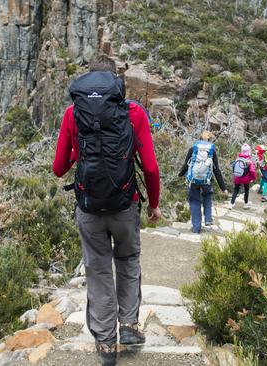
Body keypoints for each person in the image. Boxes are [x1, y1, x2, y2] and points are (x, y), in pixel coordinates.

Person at [53, 55, 161, 366]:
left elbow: (59, 168)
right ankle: (128, 325)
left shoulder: (73, 114)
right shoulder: (134, 112)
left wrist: (79, 152)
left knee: (98, 269)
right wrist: (153, 204)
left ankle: (105, 344)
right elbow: (151, 168)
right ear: (116, 81)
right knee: (127, 260)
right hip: (125, 204)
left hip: (89, 206)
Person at [178, 131, 227, 233]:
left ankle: (196, 228)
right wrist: (223, 188)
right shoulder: (211, 152)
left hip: (194, 181)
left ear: (199, 139)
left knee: (195, 201)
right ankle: (208, 219)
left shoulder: (193, 149)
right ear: (209, 140)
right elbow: (216, 170)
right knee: (207, 196)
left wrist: (181, 174)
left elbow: (186, 165)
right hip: (206, 181)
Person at [230, 143, 257, 209]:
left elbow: (233, 167)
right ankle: (245, 204)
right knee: (246, 190)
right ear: (249, 151)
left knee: (236, 189)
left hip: (237, 177)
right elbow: (252, 171)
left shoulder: (238, 158)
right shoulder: (249, 160)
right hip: (246, 179)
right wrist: (253, 178)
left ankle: (232, 203)